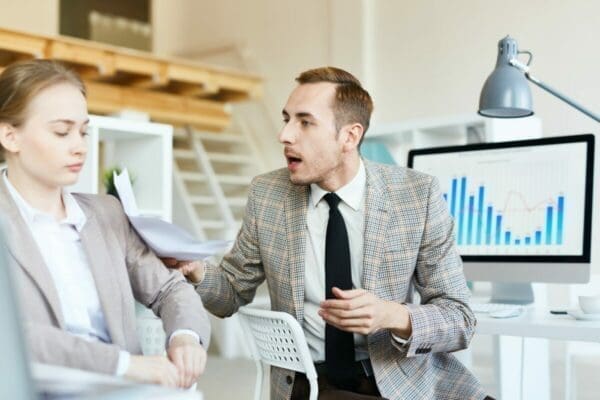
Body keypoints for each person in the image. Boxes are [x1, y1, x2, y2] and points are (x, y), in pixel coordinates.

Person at [169, 66, 491, 399]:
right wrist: (196, 270)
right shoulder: (268, 195)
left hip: (405, 380)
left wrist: (391, 314)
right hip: (315, 384)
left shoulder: (415, 195)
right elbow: (231, 292)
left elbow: (460, 319)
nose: (286, 136)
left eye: (305, 122)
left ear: (349, 137)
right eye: (287, 120)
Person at [0, 59, 210, 389]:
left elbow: (169, 289)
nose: (80, 146)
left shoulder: (106, 214)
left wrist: (185, 337)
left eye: (83, 131)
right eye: (61, 131)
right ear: (10, 136)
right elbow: (13, 334)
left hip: (125, 388)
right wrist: (125, 365)